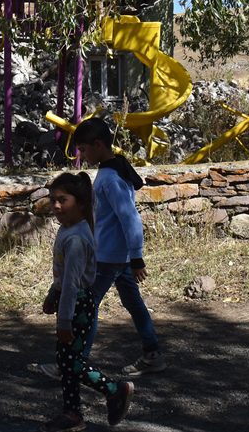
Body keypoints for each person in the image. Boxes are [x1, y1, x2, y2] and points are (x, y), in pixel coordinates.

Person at [37, 117, 165, 380]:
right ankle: (151, 353)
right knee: (133, 302)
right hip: (119, 255)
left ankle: (73, 364)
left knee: (87, 307)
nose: (81, 156)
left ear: (98, 145)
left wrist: (137, 255)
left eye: (83, 150)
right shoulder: (114, 171)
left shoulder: (110, 178)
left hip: (109, 257)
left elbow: (129, 217)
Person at [40, 171, 134, 432]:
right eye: (53, 199)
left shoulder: (77, 239)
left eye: (63, 199)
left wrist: (64, 319)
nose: (56, 205)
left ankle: (114, 389)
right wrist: (52, 293)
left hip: (77, 305)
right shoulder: (67, 229)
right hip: (70, 301)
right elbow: (63, 275)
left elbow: (72, 283)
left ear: (80, 203)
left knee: (72, 362)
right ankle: (72, 414)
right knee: (66, 361)